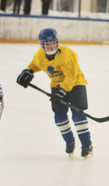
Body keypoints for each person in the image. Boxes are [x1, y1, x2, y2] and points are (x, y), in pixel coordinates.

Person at [16, 28, 94, 159]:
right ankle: (70, 142)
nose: (50, 46)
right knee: (59, 117)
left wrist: (63, 90)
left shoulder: (66, 54)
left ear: (57, 42)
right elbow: (35, 64)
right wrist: (29, 71)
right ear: (42, 45)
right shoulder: (39, 55)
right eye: (47, 44)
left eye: (52, 43)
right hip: (57, 86)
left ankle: (87, 145)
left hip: (76, 84)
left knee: (78, 115)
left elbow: (71, 76)